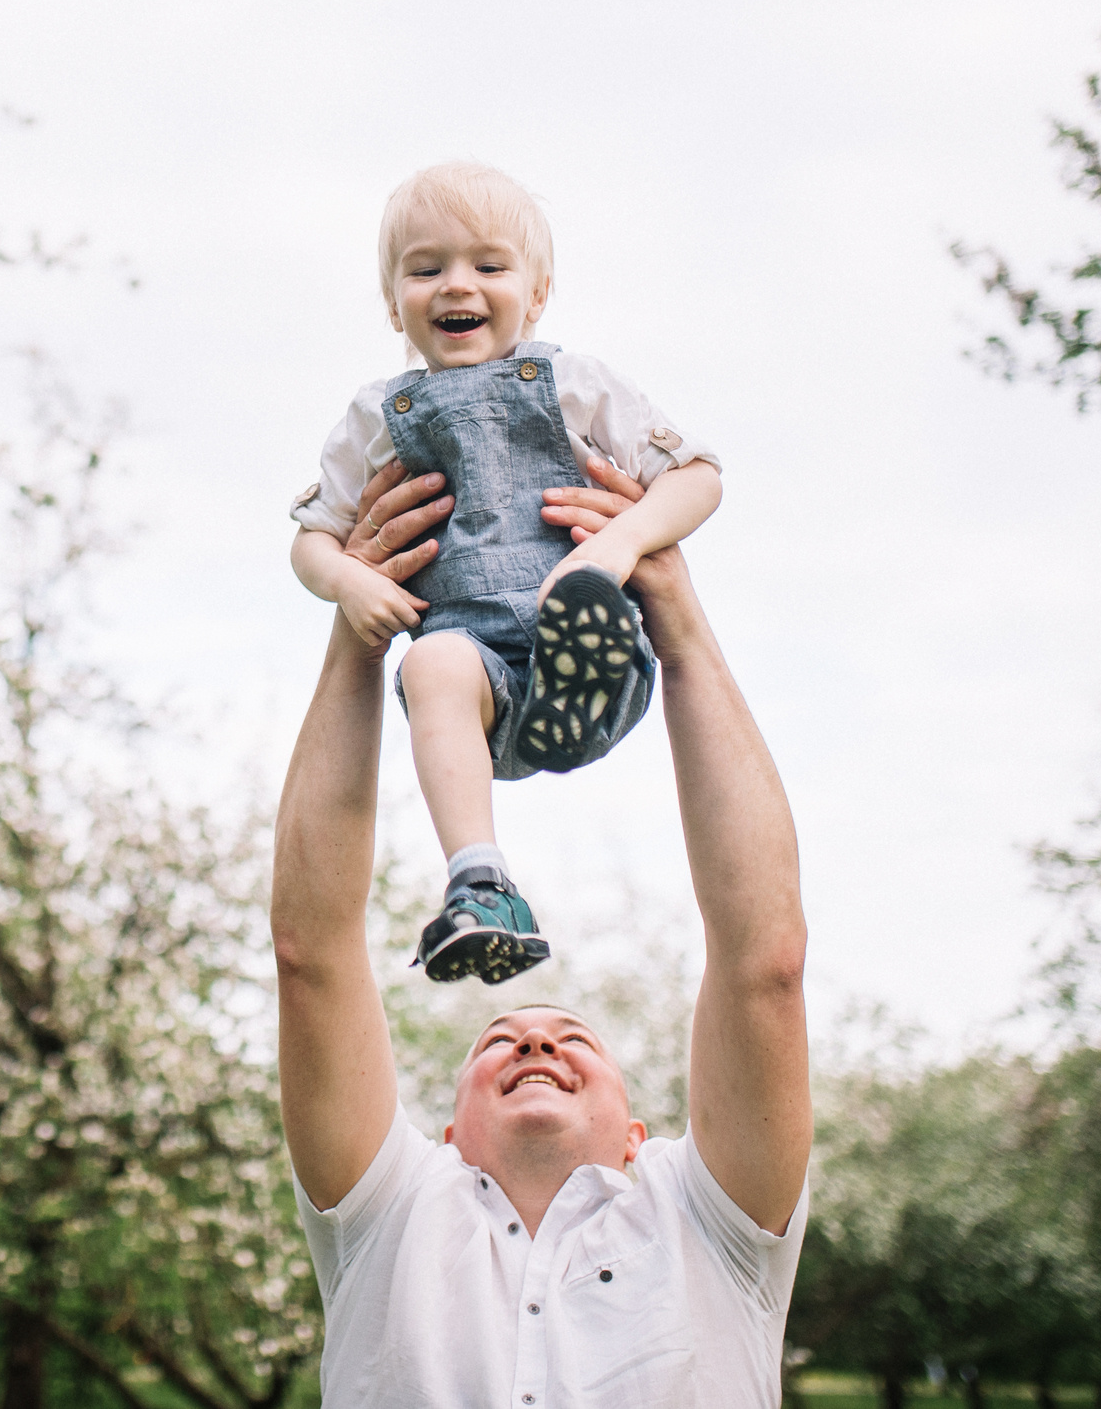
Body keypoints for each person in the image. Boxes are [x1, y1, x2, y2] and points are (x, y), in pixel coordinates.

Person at [273, 458, 809, 1408]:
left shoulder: (705, 1221)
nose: (532, 1038)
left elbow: (763, 961)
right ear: (444, 1135)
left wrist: (675, 621)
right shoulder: (393, 1212)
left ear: (643, 1138)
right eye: (501, 1041)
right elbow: (310, 957)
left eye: (575, 1044)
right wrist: (358, 628)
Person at [289, 162, 723, 984]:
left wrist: (619, 544)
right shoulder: (376, 417)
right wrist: (349, 581)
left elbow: (697, 474)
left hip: (583, 636)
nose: (459, 284)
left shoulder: (577, 385)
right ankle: (481, 881)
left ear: (538, 291)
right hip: (478, 687)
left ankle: (576, 681)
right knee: (429, 661)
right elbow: (313, 540)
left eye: (489, 265)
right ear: (393, 302)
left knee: (571, 610)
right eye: (426, 268)